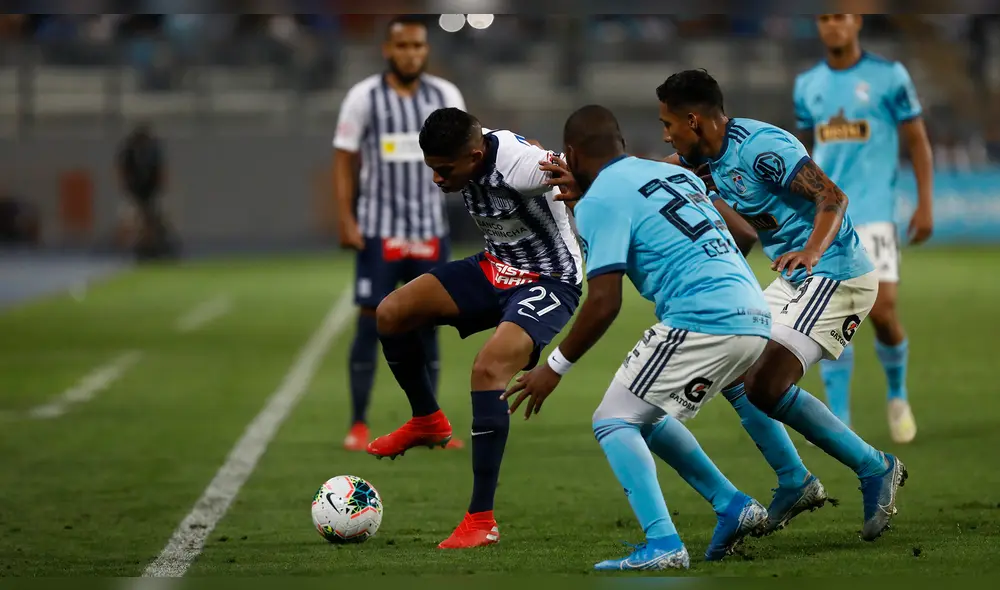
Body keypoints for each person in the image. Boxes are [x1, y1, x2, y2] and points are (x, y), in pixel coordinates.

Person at [503, 105, 772, 571]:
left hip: (702, 319)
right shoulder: (667, 174)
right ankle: (732, 504)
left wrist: (553, 367)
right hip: (755, 314)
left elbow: (604, 302)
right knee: (642, 412)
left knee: (612, 421)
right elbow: (745, 233)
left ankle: (664, 544)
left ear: (570, 152)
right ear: (620, 142)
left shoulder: (599, 200)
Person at [656, 69, 906, 542]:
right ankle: (795, 480)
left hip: (835, 273)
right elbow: (654, 173)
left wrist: (811, 251)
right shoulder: (704, 154)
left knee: (767, 385)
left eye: (669, 124)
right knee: (731, 368)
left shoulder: (762, 148)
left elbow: (832, 196)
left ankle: (876, 467)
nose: (666, 134)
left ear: (693, 120)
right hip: (794, 278)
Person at [366, 107, 583, 549]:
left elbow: (580, 164)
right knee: (390, 313)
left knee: (487, 370)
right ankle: (427, 420)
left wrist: (580, 180)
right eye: (432, 169)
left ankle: (481, 519)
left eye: (445, 171)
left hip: (549, 279)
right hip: (495, 268)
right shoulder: (467, 144)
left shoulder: (521, 167)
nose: (437, 180)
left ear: (475, 154)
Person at [795, 14, 933, 444]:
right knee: (832, 316)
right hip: (826, 215)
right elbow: (800, 156)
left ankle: (897, 395)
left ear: (856, 21)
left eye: (841, 16)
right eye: (824, 17)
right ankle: (840, 418)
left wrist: (925, 203)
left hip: (873, 212)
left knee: (884, 310)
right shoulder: (807, 85)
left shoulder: (889, 77)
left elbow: (917, 140)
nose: (832, 25)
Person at [332, 15, 466, 452]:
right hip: (379, 230)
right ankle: (357, 422)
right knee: (371, 321)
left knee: (430, 323)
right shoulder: (363, 97)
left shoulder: (444, 95)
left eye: (418, 46)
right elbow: (344, 158)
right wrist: (347, 218)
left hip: (429, 229)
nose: (411, 54)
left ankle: (432, 422)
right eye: (403, 46)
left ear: (426, 50)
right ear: (388, 50)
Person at [116, 121, 177, 261]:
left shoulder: (153, 151)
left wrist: (160, 190)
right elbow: (121, 171)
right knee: (132, 220)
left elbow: (162, 171)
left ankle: (154, 247)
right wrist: (127, 190)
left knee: (154, 219)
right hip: (134, 191)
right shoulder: (129, 151)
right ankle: (132, 249)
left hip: (151, 191)